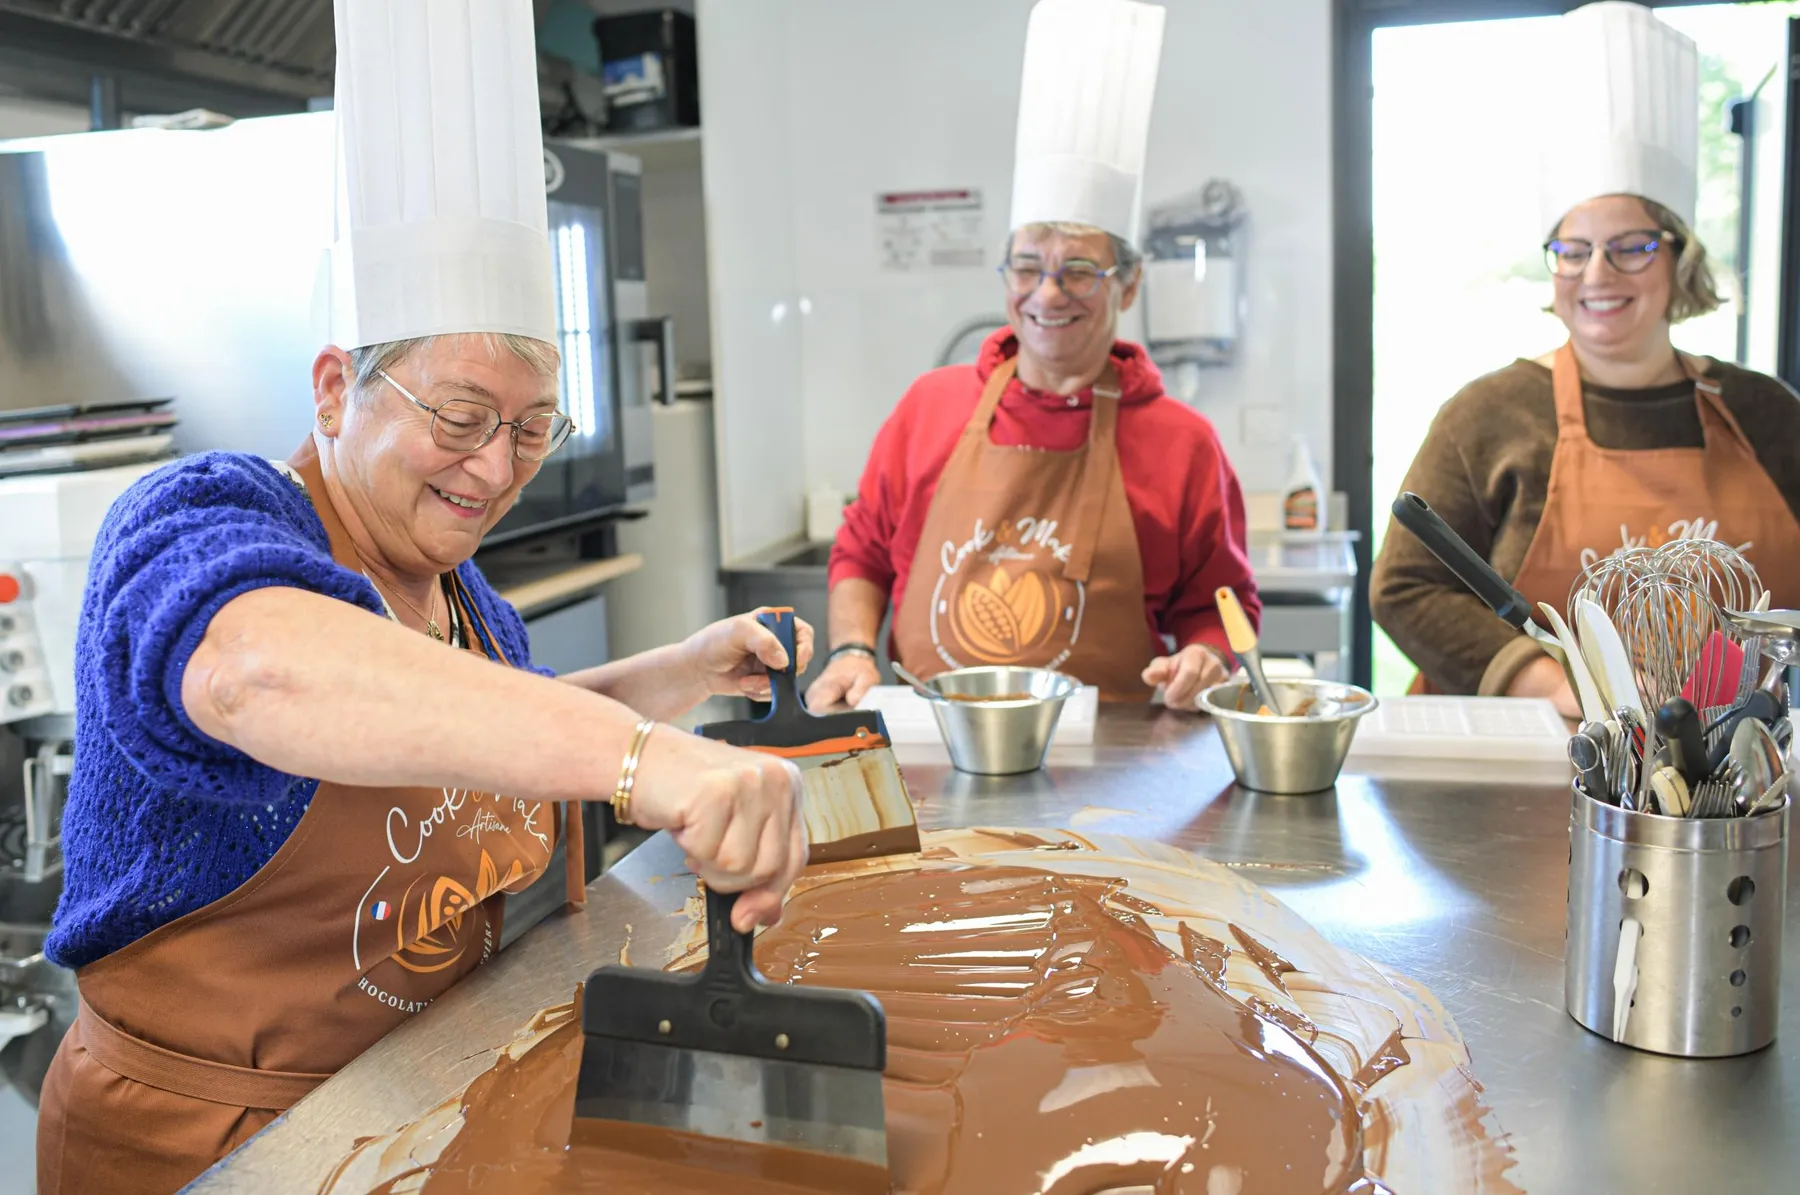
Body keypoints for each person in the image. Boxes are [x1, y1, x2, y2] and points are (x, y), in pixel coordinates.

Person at [35, 3, 808, 1191]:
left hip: (423, 1107)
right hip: (221, 1150)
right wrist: (654, 758)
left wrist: (680, 678)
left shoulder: (460, 597)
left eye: (531, 430)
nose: (494, 470)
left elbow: (488, 744)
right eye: (457, 418)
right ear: (338, 386)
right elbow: (262, 669)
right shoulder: (201, 520)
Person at [807, 0, 1257, 712]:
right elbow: (861, 549)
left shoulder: (1183, 444)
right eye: (1025, 267)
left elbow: (1219, 607)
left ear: (1130, 283)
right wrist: (855, 649)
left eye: (1079, 269)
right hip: (934, 750)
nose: (1047, 294)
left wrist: (1206, 656)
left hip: (1115, 766)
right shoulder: (930, 407)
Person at [1372, 0, 1800, 713]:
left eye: (1630, 246)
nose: (1598, 274)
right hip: (1526, 758)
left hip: (1729, 779)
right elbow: (1406, 586)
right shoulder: (1488, 414)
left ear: (1680, 258)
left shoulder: (1766, 411)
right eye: (1573, 250)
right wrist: (1559, 685)